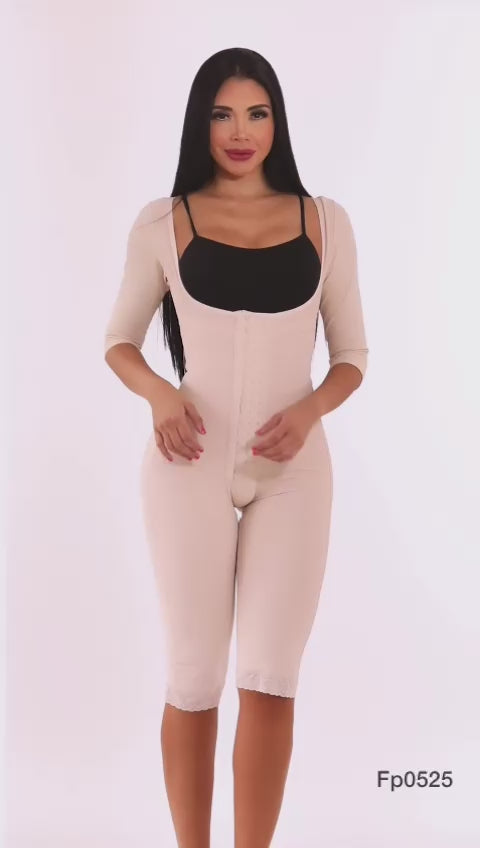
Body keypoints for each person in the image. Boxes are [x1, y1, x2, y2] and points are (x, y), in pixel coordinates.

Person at [104, 46, 369, 848]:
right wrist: (161, 395)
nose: (240, 131)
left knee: (270, 676)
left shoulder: (324, 221)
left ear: (278, 122)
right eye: (222, 114)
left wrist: (310, 410)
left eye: (257, 113)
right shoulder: (163, 222)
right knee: (194, 677)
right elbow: (119, 342)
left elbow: (353, 356)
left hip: (294, 472)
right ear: (201, 123)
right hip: (187, 463)